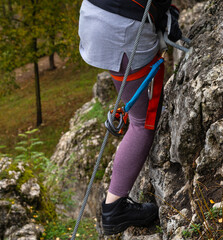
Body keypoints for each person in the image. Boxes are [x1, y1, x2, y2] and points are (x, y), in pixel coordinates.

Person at [78, 0, 182, 235]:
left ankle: (115, 208)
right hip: (122, 27)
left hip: (94, 15)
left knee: (135, 105)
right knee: (141, 122)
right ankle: (115, 209)